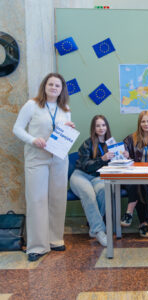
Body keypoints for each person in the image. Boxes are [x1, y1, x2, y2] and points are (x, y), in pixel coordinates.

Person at [13, 73, 75, 261]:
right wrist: (33, 140)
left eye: (58, 85)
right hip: (37, 158)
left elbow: (63, 130)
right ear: (45, 86)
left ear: (62, 89)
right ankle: (37, 246)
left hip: (58, 158)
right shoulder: (32, 105)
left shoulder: (65, 108)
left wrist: (69, 127)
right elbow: (17, 128)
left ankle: (55, 239)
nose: (54, 87)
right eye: (51, 84)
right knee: (37, 200)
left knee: (57, 199)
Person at [69, 115, 113, 247]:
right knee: (89, 194)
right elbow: (86, 165)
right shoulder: (87, 143)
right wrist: (102, 159)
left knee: (104, 191)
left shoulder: (110, 143)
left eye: (103, 125)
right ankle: (99, 231)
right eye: (98, 125)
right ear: (93, 128)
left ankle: (93, 228)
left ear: (107, 127)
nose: (101, 128)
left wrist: (123, 156)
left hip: (98, 177)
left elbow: (113, 164)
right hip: (81, 175)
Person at [121, 111, 148, 238]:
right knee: (139, 183)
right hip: (132, 177)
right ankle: (143, 223)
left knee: (140, 183)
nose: (146, 124)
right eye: (143, 121)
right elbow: (120, 157)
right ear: (139, 123)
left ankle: (129, 213)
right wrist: (125, 155)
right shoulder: (130, 139)